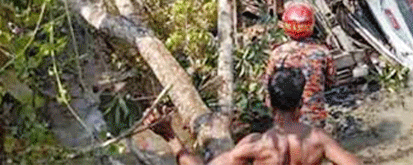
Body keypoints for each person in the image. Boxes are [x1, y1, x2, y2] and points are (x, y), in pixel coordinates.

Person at [149, 67, 361, 165]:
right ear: (301, 104)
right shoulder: (318, 140)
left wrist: (170, 137)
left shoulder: (255, 145)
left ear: (269, 103)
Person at [265, 0, 336, 128]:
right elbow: (331, 81)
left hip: (285, 118)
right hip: (315, 118)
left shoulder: (277, 53)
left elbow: (267, 85)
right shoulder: (322, 52)